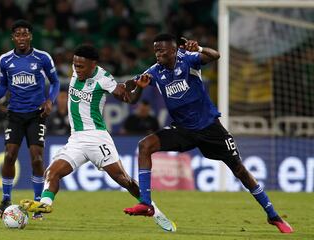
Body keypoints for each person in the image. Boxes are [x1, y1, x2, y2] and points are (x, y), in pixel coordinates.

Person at [123, 33, 293, 234]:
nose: (157, 53)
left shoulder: (188, 59)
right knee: (145, 145)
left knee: (240, 170)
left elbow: (215, 55)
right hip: (184, 130)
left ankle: (272, 215)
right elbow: (131, 95)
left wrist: (201, 49)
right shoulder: (153, 72)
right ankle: (146, 203)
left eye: (162, 50)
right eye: (155, 50)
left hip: (210, 128)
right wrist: (138, 88)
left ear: (174, 50)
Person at [20, 44, 176, 232]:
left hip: (97, 138)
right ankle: (45, 203)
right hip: (76, 139)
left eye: (81, 66)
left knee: (124, 180)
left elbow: (129, 98)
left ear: (93, 64)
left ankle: (154, 210)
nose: (77, 70)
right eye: (75, 65)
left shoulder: (103, 79)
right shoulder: (76, 68)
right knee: (52, 172)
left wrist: (139, 89)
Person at [0, 19, 60, 220]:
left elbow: (55, 82)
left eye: (25, 34)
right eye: (18, 34)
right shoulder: (4, 60)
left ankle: (36, 203)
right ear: (13, 38)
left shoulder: (43, 58)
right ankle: (6, 199)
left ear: (30, 36)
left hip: (36, 114)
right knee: (9, 156)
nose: (22, 38)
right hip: (15, 114)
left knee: (37, 158)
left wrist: (50, 101)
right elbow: (3, 85)